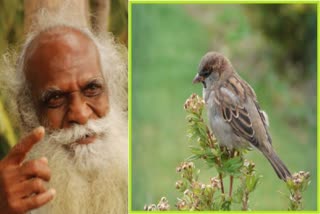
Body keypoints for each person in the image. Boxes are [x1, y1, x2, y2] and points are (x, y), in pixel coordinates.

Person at [0, 10, 128, 214]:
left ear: (111, 91)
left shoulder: (153, 177)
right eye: (56, 99)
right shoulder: (15, 202)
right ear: (28, 115)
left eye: (92, 89)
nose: (80, 114)